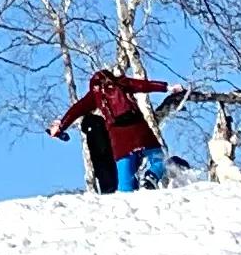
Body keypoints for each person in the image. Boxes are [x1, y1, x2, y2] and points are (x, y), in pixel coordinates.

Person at [53, 63, 181, 191]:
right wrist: (168, 87)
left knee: (125, 182)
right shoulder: (122, 82)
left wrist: (61, 126)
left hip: (119, 139)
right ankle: (151, 177)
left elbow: (76, 109)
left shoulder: (94, 94)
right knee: (158, 158)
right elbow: (144, 85)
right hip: (139, 130)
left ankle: (127, 199)